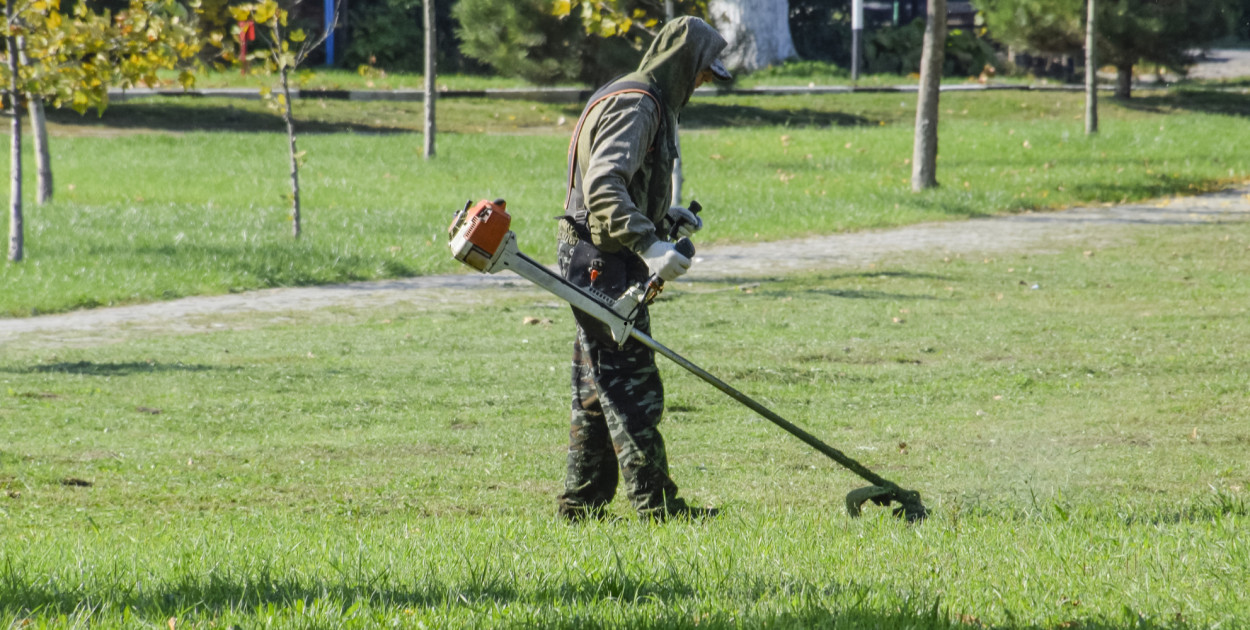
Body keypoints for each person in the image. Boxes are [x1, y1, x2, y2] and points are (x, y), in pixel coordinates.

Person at [555, 16, 731, 522]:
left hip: (595, 256)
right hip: (601, 263)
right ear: (684, 64)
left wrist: (660, 218)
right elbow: (605, 187)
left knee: (598, 385)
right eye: (702, 73)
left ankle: (580, 505)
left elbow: (622, 186)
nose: (703, 83)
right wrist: (650, 243)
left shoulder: (642, 96)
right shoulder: (639, 104)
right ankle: (658, 508)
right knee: (634, 387)